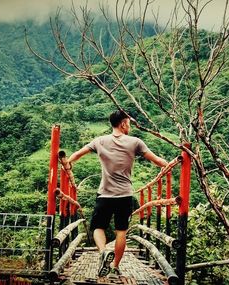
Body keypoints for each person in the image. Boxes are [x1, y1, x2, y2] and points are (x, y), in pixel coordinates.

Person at [67, 110, 168, 277]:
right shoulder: (135, 142)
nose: (129, 126)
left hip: (104, 194)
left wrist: (67, 163)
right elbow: (157, 161)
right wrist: (173, 164)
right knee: (121, 232)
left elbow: (76, 155)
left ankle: (103, 252)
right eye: (128, 123)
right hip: (125, 195)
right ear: (123, 124)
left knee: (98, 227)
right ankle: (114, 267)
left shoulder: (99, 141)